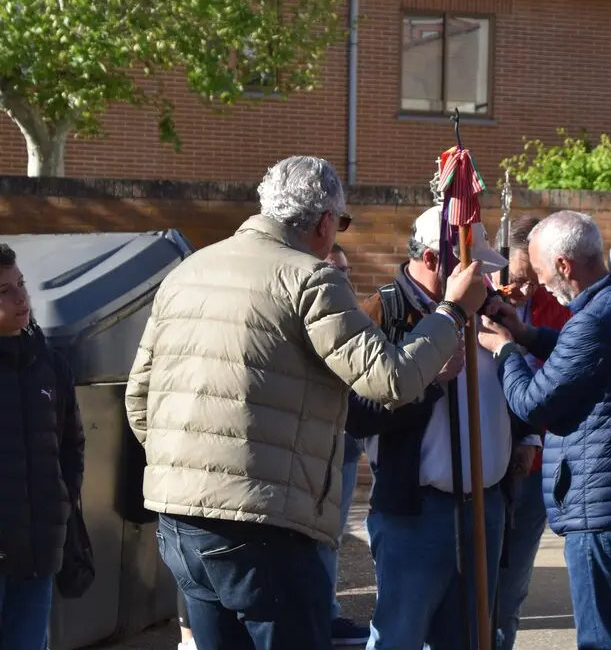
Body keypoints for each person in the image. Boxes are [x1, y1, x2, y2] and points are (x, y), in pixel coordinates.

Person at [125, 156, 488, 650]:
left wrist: (184, 467)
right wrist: (452, 311)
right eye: (341, 223)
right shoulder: (311, 278)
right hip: (264, 525)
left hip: (179, 518)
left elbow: (139, 396)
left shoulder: (188, 271)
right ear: (324, 222)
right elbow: (390, 378)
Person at [478, 210, 611, 650]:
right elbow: (584, 359)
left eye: (541, 272)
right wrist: (526, 334)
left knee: (605, 641)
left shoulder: (594, 320)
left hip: (600, 512)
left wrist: (505, 351)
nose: (540, 283)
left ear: (564, 265)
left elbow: (534, 404)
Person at [353, 205, 530, 649]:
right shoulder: (382, 312)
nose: (482, 277)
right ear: (433, 259)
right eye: (472, 266)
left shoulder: (490, 307)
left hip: (487, 504)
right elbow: (356, 413)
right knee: (400, 635)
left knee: (470, 636)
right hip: (416, 513)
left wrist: (525, 434)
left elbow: (513, 384)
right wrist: (428, 382)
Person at [0, 243, 85, 650]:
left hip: (38, 553)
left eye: (21, 284)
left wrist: (61, 505)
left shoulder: (49, 365)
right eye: (4, 291)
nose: (21, 298)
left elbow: (71, 444)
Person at [494, 216, 572, 650]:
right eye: (515, 278)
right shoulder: (474, 302)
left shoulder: (559, 307)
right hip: (480, 461)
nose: (522, 289)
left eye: (531, 279)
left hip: (535, 467)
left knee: (510, 590)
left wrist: (530, 439)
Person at [316, 243, 371, 646]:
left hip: (346, 445)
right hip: (311, 447)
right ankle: (315, 617)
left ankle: (326, 614)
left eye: (346, 270)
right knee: (311, 536)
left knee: (332, 536)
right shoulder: (305, 312)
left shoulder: (357, 316)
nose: (344, 278)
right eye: (336, 270)